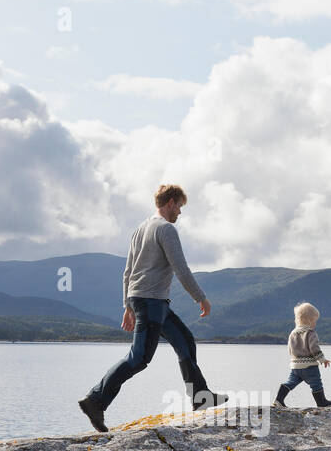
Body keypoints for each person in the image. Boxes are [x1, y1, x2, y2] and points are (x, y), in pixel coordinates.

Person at [78, 184, 226, 432]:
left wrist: (127, 306)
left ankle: (201, 396)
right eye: (179, 206)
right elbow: (181, 268)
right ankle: (96, 400)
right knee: (139, 358)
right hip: (150, 301)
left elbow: (127, 272)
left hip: (149, 301)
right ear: (170, 203)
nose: (180, 212)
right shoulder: (166, 229)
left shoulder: (140, 229)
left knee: (185, 341)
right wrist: (201, 297)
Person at [274, 302, 331, 408]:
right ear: (309, 320)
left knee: (290, 383)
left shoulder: (293, 333)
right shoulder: (310, 332)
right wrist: (322, 359)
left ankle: (279, 400)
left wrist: (294, 361)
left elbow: (290, 349)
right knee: (316, 383)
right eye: (314, 321)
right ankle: (321, 402)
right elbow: (314, 348)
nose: (315, 324)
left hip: (295, 366)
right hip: (309, 366)